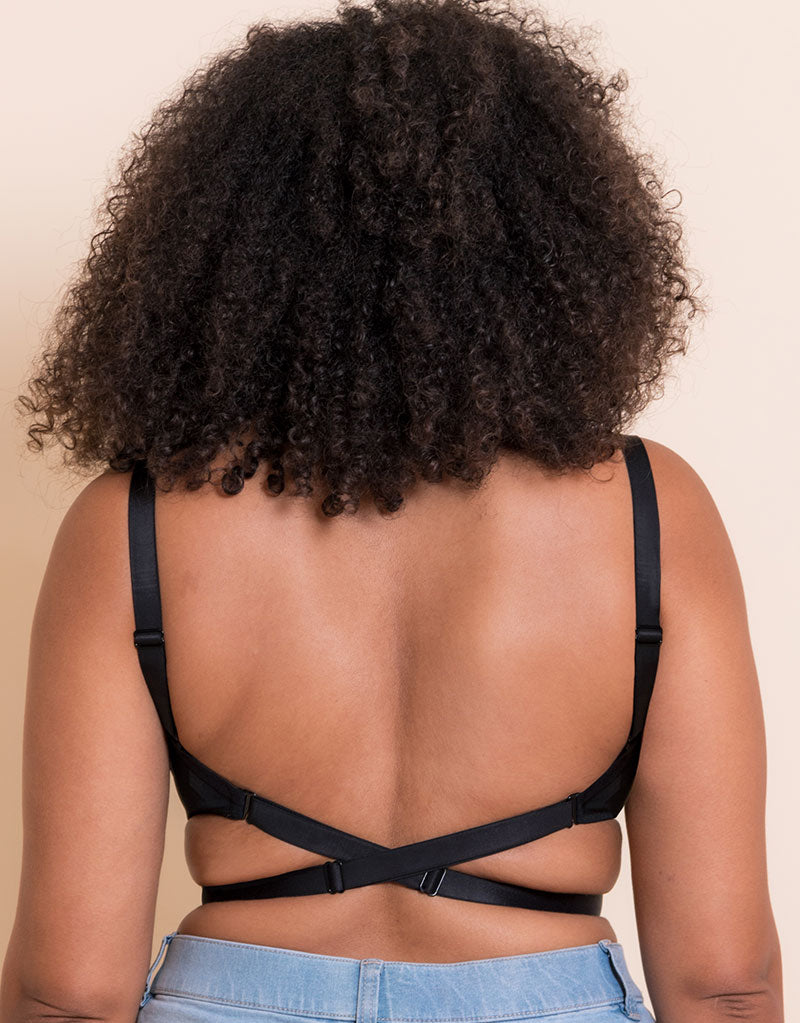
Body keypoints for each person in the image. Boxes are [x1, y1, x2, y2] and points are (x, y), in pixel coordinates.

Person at [1, 0, 783, 1019]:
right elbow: (723, 980)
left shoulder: (134, 522)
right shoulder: (647, 507)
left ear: (227, 247)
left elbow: (69, 988)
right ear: (553, 246)